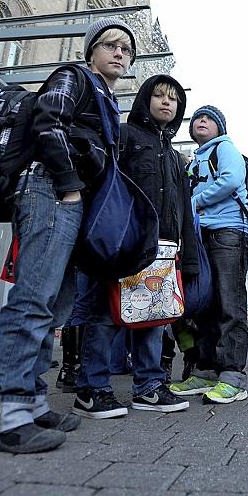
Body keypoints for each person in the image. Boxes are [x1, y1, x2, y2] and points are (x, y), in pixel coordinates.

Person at [0, 17, 136, 454]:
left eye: (127, 48)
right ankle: (0, 416)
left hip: (69, 199)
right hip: (50, 190)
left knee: (55, 304)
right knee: (33, 299)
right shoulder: (73, 77)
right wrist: (68, 185)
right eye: (110, 44)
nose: (120, 52)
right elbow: (48, 124)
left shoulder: (104, 97)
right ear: (91, 50)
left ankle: (30, 400)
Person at [70, 73, 197, 418]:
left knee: (154, 316)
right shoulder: (125, 137)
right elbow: (106, 185)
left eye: (173, 98)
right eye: (159, 95)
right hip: (123, 244)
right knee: (106, 314)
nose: (167, 102)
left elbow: (183, 207)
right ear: (145, 99)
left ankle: (149, 388)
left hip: (163, 249)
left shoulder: (173, 155)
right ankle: (91, 388)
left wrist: (185, 254)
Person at [170, 105, 248, 404]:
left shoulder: (225, 149)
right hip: (201, 236)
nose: (201, 121)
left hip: (228, 231)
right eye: (197, 118)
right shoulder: (196, 160)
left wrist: (196, 201)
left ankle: (232, 376)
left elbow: (230, 179)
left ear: (220, 128)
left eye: (209, 119)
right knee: (204, 303)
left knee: (230, 302)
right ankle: (204, 371)